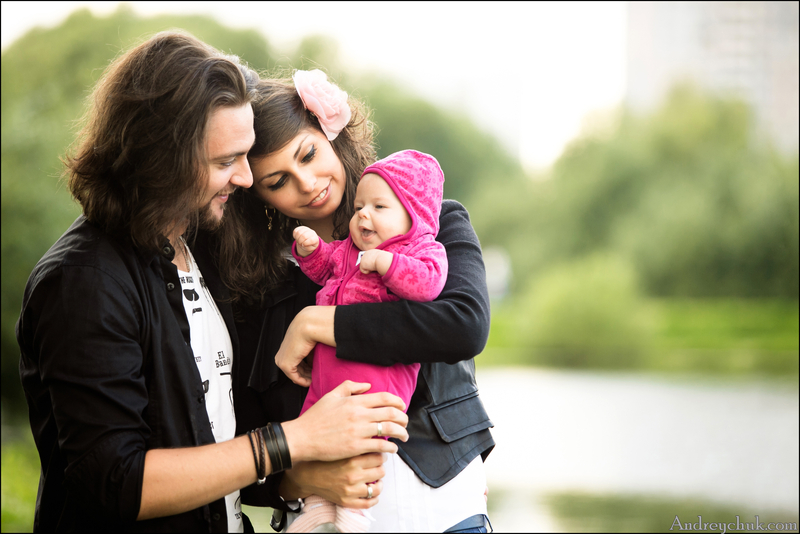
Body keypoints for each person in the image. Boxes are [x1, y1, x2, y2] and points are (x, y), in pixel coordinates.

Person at [15, 32, 409, 533]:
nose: (245, 179)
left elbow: (221, 442)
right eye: (225, 162)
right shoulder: (84, 281)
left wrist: (300, 475)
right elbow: (115, 481)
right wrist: (294, 440)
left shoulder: (200, 254)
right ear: (163, 160)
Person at [201, 69, 495, 532]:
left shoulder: (432, 225)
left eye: (309, 154)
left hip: (443, 512)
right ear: (257, 195)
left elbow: (464, 325)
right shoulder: (254, 279)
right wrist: (297, 479)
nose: (306, 183)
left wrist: (319, 323)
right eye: (278, 180)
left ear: (331, 135)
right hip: (321, 520)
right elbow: (235, 436)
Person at [286, 149, 448, 532]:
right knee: (313, 433)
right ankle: (317, 506)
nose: (363, 215)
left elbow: (429, 283)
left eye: (379, 206)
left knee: (363, 441)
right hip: (328, 371)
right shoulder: (349, 250)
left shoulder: (420, 250)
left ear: (413, 215)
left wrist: (387, 263)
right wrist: (311, 251)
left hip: (377, 377)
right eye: (359, 207)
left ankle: (354, 515)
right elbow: (326, 267)